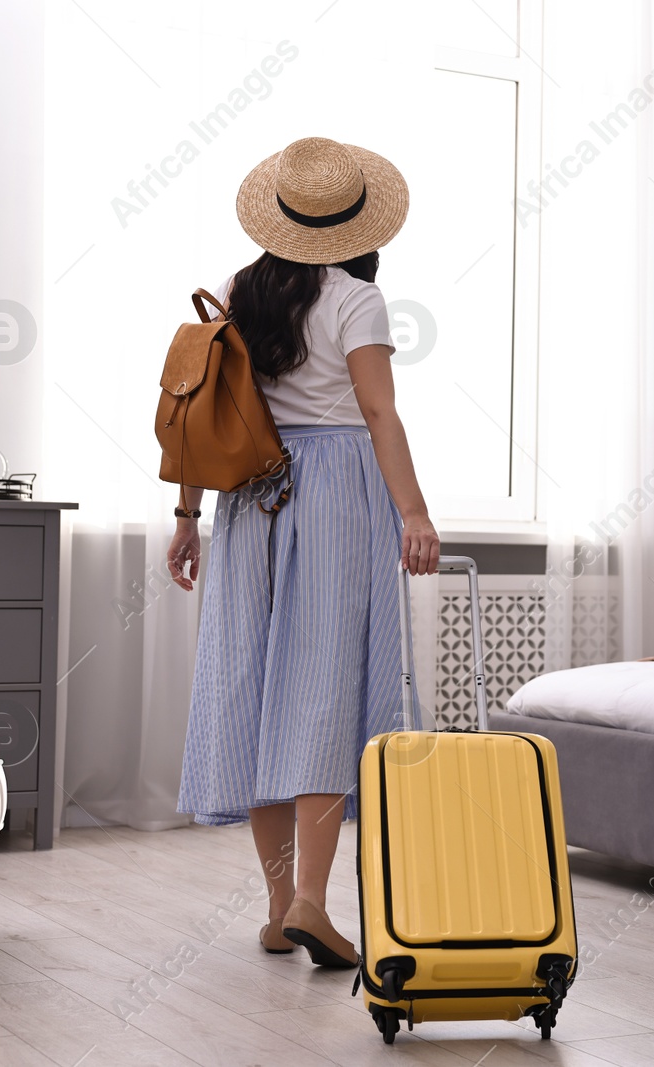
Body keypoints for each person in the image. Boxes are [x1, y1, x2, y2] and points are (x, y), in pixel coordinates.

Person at [166, 136, 440, 967]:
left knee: (249, 682)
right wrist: (415, 513)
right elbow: (380, 414)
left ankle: (279, 902)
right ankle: (315, 900)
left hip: (247, 493)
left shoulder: (233, 292)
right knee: (322, 685)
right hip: (332, 492)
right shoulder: (357, 300)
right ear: (358, 223)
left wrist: (186, 518)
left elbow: (195, 413)